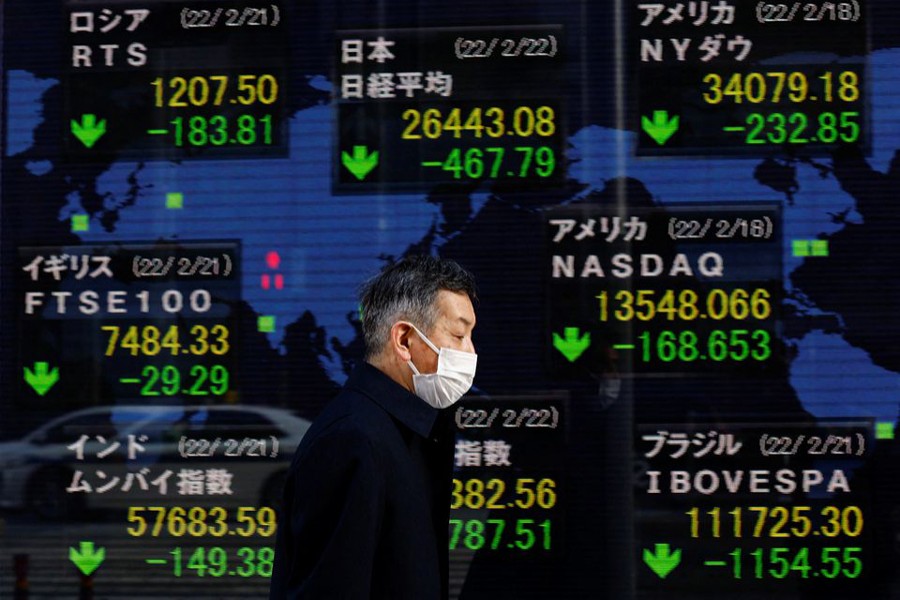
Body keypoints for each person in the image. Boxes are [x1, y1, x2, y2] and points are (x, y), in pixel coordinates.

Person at [269, 255, 478, 599]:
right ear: (404, 340)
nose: (469, 352)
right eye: (458, 334)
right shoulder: (351, 440)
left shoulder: (404, 430)